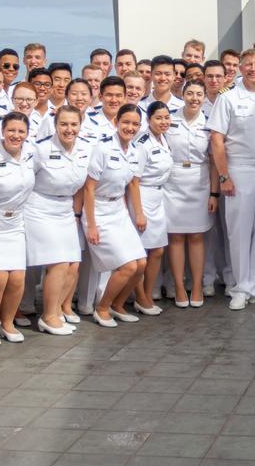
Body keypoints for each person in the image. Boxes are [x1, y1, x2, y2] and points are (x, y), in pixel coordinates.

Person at [208, 49, 255, 310]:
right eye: (248, 64)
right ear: (240, 68)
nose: (253, 68)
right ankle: (241, 287)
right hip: (240, 170)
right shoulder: (227, 98)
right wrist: (224, 176)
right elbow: (217, 139)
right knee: (239, 231)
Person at [26, 105, 90, 335]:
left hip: (66, 209)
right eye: (63, 124)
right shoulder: (40, 149)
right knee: (58, 263)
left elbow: (84, 185)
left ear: (80, 125)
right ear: (55, 125)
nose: (69, 129)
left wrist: (76, 213)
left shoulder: (86, 148)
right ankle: (48, 316)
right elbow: (26, 180)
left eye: (74, 124)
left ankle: (57, 310)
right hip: (40, 207)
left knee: (73, 263)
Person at [83, 104, 148, 326]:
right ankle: (102, 308)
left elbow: (133, 184)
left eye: (135, 124)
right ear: (116, 122)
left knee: (141, 264)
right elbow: (89, 188)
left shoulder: (136, 151)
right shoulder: (102, 149)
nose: (130, 127)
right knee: (127, 266)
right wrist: (91, 225)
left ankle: (118, 305)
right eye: (126, 122)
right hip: (98, 211)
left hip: (119, 211)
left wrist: (139, 214)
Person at [0, 112, 37, 346]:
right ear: (2, 131)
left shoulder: (31, 154)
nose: (16, 135)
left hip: (15, 223)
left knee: (18, 278)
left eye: (21, 131)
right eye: (11, 130)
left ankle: (8, 321)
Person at [164, 80, 217, 308]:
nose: (194, 98)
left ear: (204, 97)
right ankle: (178, 286)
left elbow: (214, 161)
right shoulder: (169, 118)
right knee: (175, 237)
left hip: (199, 180)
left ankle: (196, 286)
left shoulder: (210, 121)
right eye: (190, 93)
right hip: (172, 181)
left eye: (199, 94)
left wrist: (214, 193)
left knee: (196, 236)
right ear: (182, 95)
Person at [133, 102, 174, 315]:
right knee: (140, 253)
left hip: (158, 197)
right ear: (148, 120)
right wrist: (139, 212)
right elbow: (134, 180)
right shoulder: (142, 142)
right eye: (158, 118)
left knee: (157, 250)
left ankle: (147, 294)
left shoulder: (163, 139)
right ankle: (140, 297)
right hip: (143, 196)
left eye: (166, 117)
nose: (163, 122)